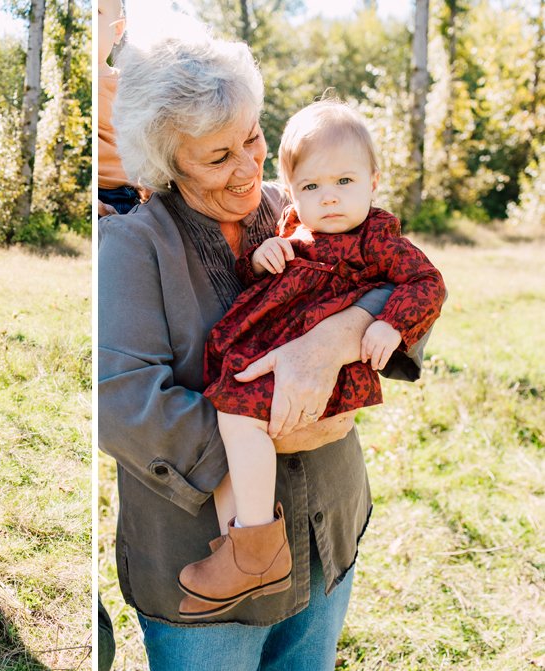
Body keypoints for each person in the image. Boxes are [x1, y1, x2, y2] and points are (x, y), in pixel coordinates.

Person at [98, 29, 436, 670]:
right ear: (168, 164)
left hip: (325, 531)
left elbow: (409, 279)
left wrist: (335, 338)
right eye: (218, 156)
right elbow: (120, 402)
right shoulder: (133, 246)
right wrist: (275, 433)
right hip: (201, 565)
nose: (250, 166)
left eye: (253, 137)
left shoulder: (304, 206)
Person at [177, 100, 446, 618]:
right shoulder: (294, 226)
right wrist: (263, 258)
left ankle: (254, 544)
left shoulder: (375, 239)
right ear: (293, 189)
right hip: (272, 354)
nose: (330, 199)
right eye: (312, 186)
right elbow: (273, 283)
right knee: (228, 416)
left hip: (316, 374)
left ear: (372, 180)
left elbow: (426, 282)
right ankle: (241, 547)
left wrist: (390, 322)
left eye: (345, 181)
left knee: (237, 415)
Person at [97, 0, 143, 217]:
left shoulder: (128, 85)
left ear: (116, 30)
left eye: (96, 11)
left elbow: (146, 143)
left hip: (121, 194)